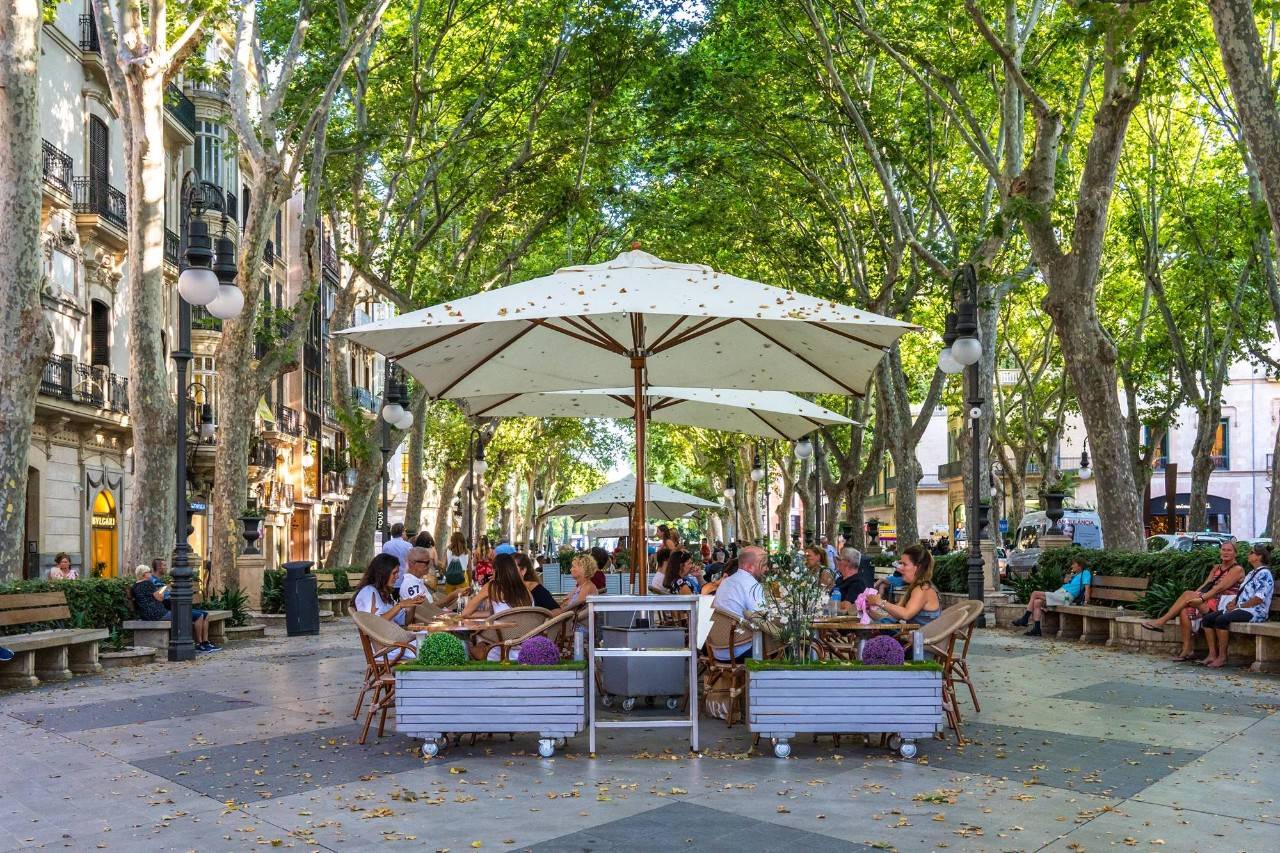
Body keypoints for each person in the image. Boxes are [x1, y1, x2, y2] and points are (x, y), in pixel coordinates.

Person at [1140, 541, 1245, 661]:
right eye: (1223, 549)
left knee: (1187, 595)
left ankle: (1161, 621)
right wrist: (1194, 597)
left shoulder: (1237, 569)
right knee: (1184, 610)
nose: (1225, 552)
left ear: (1235, 554)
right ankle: (1187, 650)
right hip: (1208, 600)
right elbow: (1206, 585)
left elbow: (1219, 588)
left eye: (1229, 550)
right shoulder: (1216, 568)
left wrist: (1199, 598)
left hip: (1223, 605)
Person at [1200, 544, 1275, 668]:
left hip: (1256, 611)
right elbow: (1242, 591)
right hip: (1242, 607)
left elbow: (1258, 599)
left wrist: (1238, 605)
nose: (1248, 554)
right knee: (1207, 619)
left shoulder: (1265, 574)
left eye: (1251, 552)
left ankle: (1222, 657)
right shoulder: (1251, 573)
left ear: (1258, 557)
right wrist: (1233, 602)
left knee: (1221, 620)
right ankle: (1212, 654)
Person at [131, 563, 218, 652]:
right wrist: (160, 592)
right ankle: (199, 643)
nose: (150, 574)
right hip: (158, 614)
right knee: (196, 616)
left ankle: (201, 643)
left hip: (146, 615)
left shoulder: (135, 586)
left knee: (197, 614)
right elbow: (160, 598)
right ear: (144, 574)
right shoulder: (148, 583)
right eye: (149, 572)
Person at [710, 546, 767, 660]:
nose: (767, 569)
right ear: (750, 567)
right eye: (763, 565)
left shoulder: (726, 582)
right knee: (788, 640)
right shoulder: (752, 585)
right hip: (741, 650)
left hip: (717, 650)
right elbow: (762, 619)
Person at [1013, 558, 1093, 636]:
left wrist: (1086, 601)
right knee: (1037, 602)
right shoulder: (1076, 575)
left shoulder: (1085, 573)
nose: (1072, 566)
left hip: (1066, 597)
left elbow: (1087, 588)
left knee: (1035, 593)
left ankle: (1025, 619)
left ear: (1080, 565)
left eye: (1074, 564)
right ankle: (1037, 630)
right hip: (1060, 593)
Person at [864, 544, 941, 625]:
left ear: (918, 567)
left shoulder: (923, 589)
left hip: (924, 637)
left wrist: (880, 602)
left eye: (904, 564)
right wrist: (869, 611)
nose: (899, 568)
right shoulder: (916, 588)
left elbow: (906, 614)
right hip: (916, 636)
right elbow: (891, 618)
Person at [353, 553, 423, 629]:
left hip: (395, 637)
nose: (397, 576)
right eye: (394, 573)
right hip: (387, 640)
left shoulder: (384, 594)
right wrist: (399, 606)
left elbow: (405, 621)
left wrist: (413, 604)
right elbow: (374, 625)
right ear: (383, 573)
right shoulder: (368, 592)